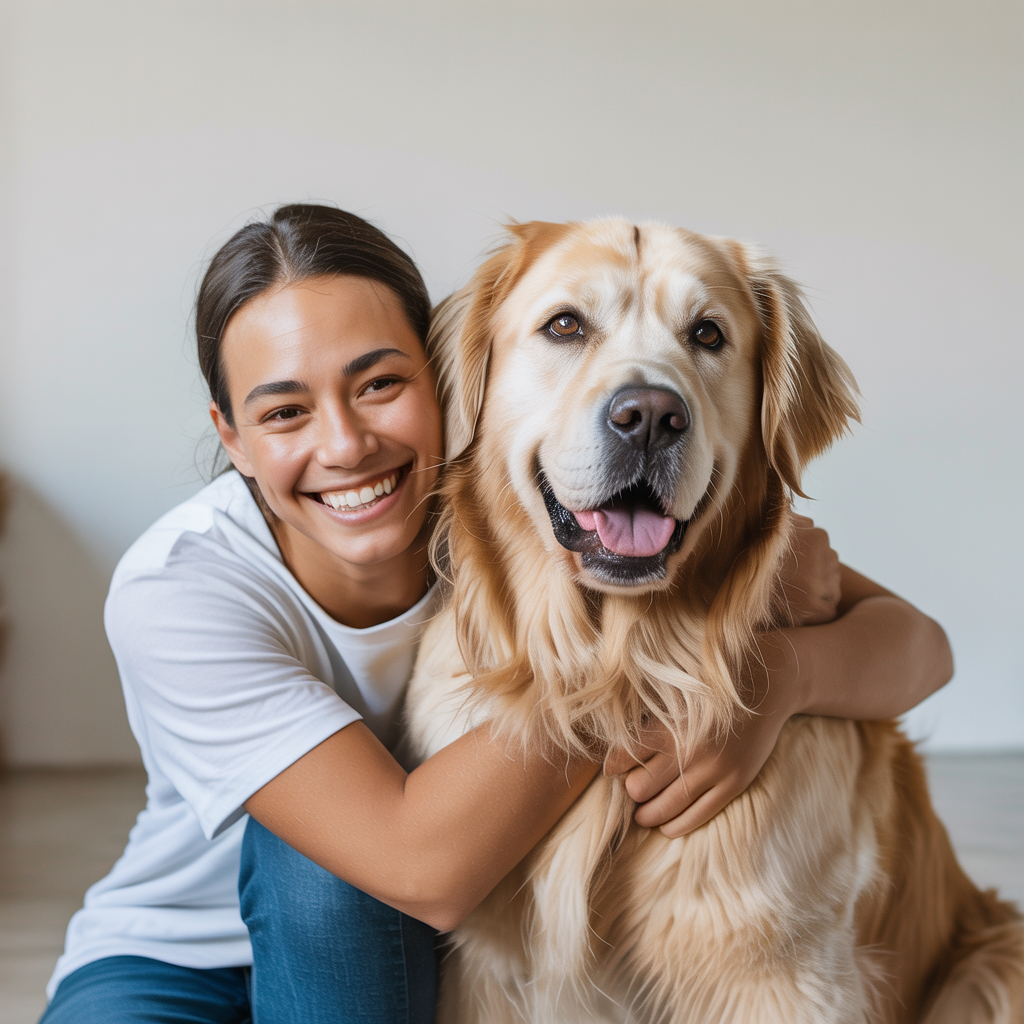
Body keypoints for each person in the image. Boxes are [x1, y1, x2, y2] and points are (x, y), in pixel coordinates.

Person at [40, 204, 953, 1024]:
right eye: (284, 411)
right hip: (189, 954)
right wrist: (685, 639)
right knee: (314, 859)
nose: (346, 445)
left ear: (446, 380)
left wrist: (780, 673)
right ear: (232, 437)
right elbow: (419, 865)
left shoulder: (492, 503)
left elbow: (921, 645)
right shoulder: (180, 588)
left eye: (379, 383)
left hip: (389, 946)